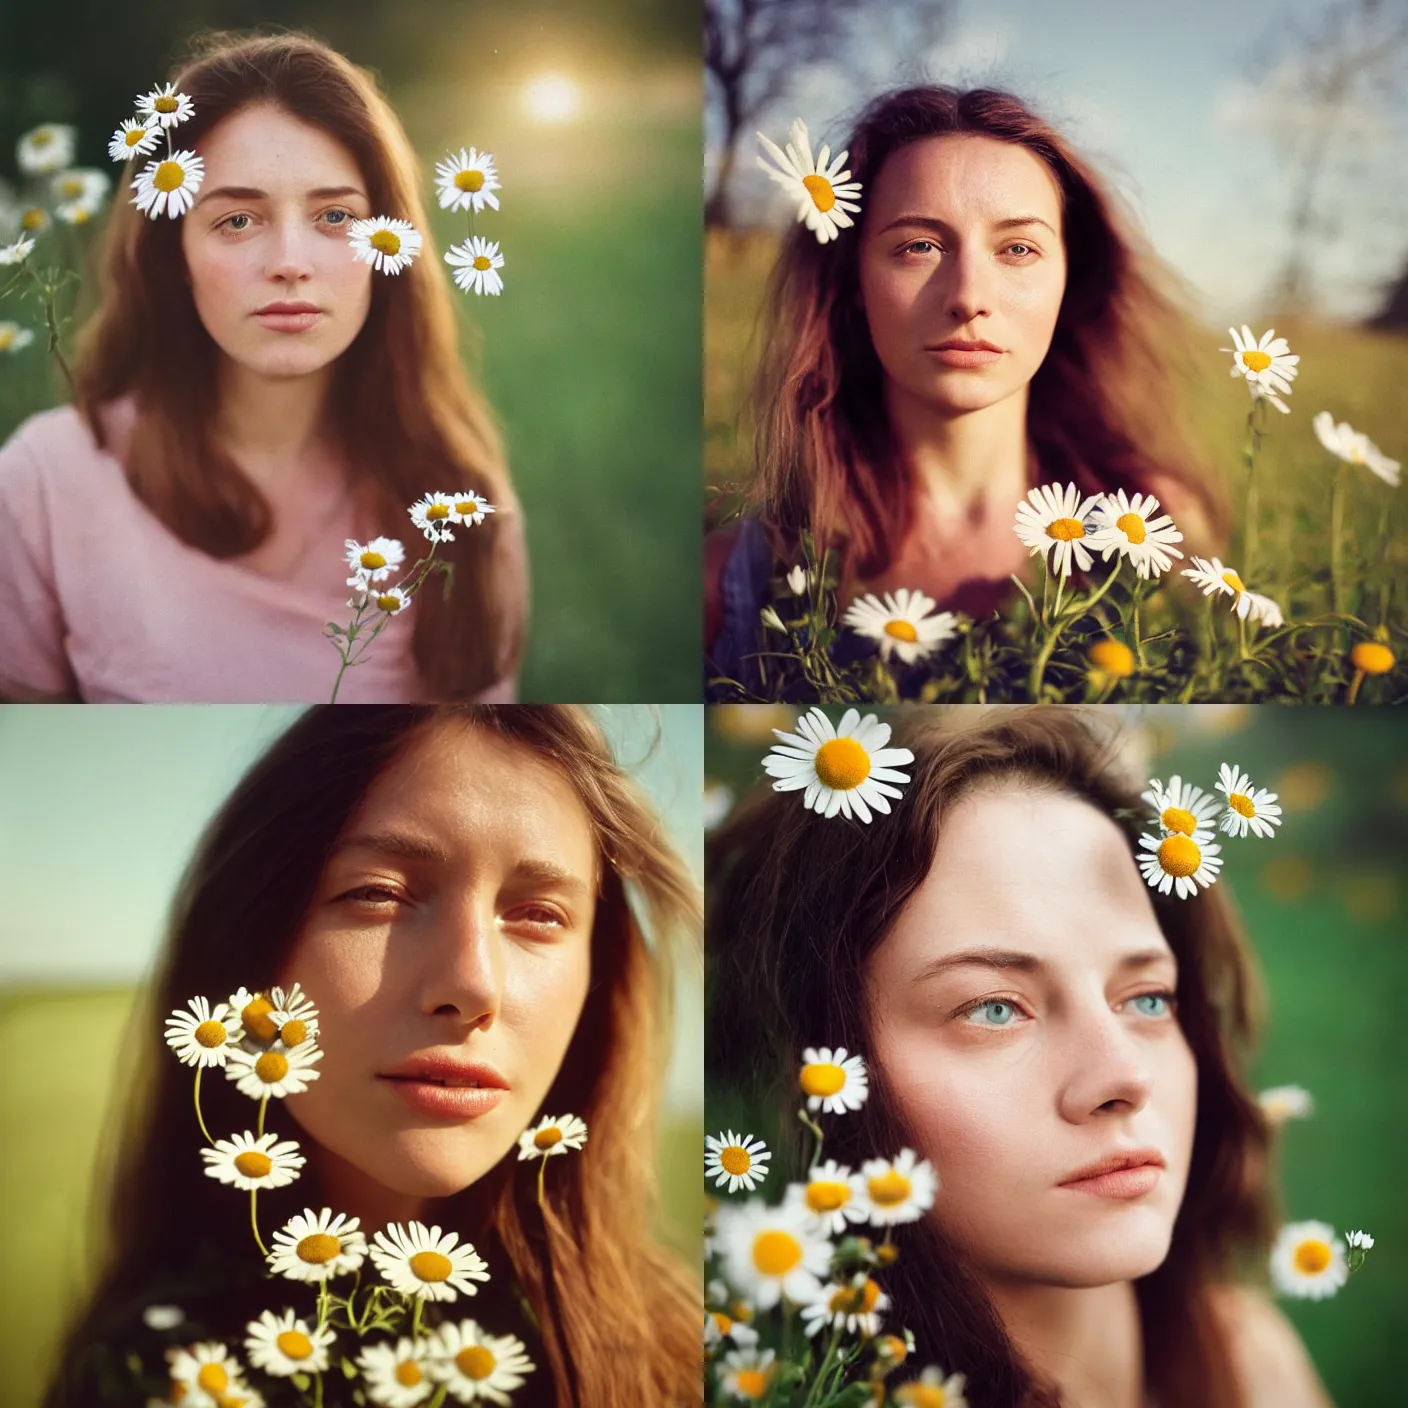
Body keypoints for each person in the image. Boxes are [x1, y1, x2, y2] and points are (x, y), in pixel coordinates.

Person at [40, 705, 700, 1407]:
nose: (474, 984)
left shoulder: (683, 1355)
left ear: (598, 977)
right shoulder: (152, 1377)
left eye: (538, 914)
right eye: (380, 894)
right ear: (247, 948)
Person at [707, 707, 1330, 1408]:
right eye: (993, 1009)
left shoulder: (1247, 1362)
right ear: (812, 1069)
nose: (1122, 1078)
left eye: (1148, 998)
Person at [0, 32, 526, 703]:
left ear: (387, 250)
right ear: (173, 256)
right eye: (239, 220)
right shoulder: (43, 485)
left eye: (335, 215)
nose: (289, 260)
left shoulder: (464, 506)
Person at [706, 86, 1225, 691]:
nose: (969, 298)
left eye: (1018, 249)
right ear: (852, 283)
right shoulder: (726, 585)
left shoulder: (1162, 528)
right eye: (919, 246)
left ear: (1069, 279)